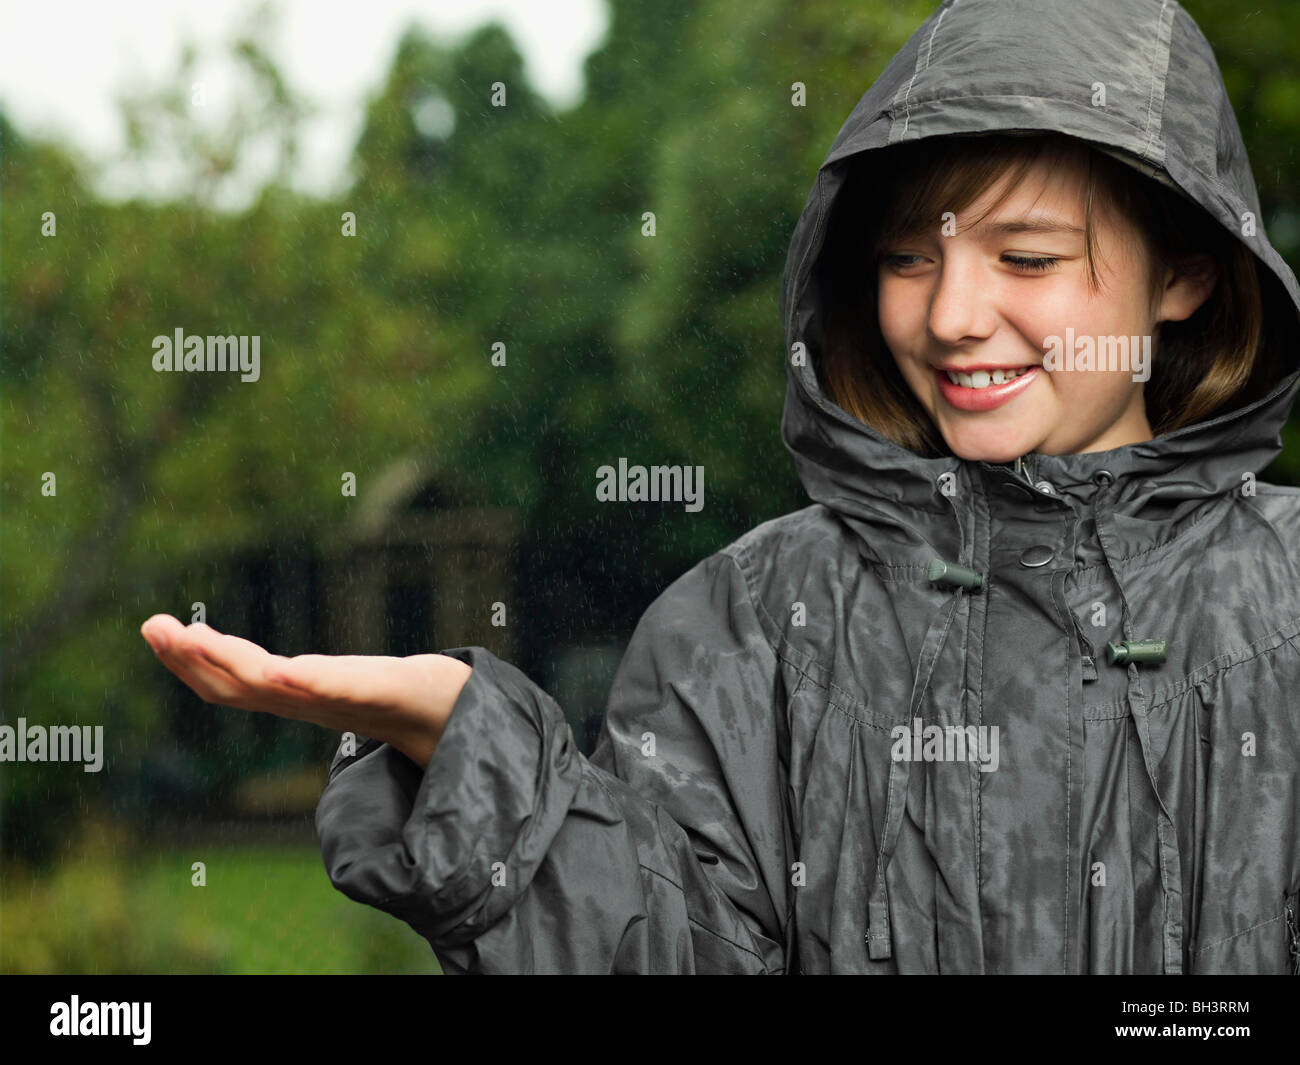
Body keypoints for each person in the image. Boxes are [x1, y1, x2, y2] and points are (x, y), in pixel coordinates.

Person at [140, 0, 1300, 973]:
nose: (949, 317)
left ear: (1187, 274)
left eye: (1027, 258)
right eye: (907, 256)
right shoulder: (749, 624)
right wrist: (465, 752)